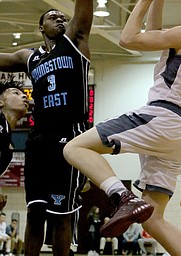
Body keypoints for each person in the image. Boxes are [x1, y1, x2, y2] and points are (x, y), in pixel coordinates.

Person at [63, 0, 181, 254]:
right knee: (153, 219)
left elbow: (128, 39)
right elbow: (153, 33)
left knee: (74, 148)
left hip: (162, 116)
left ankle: (122, 196)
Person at [0, 0, 93, 255]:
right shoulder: (31, 57)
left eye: (63, 16)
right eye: (53, 17)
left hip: (69, 137)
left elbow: (84, 10)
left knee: (61, 216)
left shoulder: (75, 43)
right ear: (41, 27)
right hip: (39, 139)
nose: (60, 19)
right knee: (35, 212)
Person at [0, 80, 28, 211]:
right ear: (1, 102)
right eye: (15, 93)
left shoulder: (7, 140)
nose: (24, 96)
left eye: (23, 94)